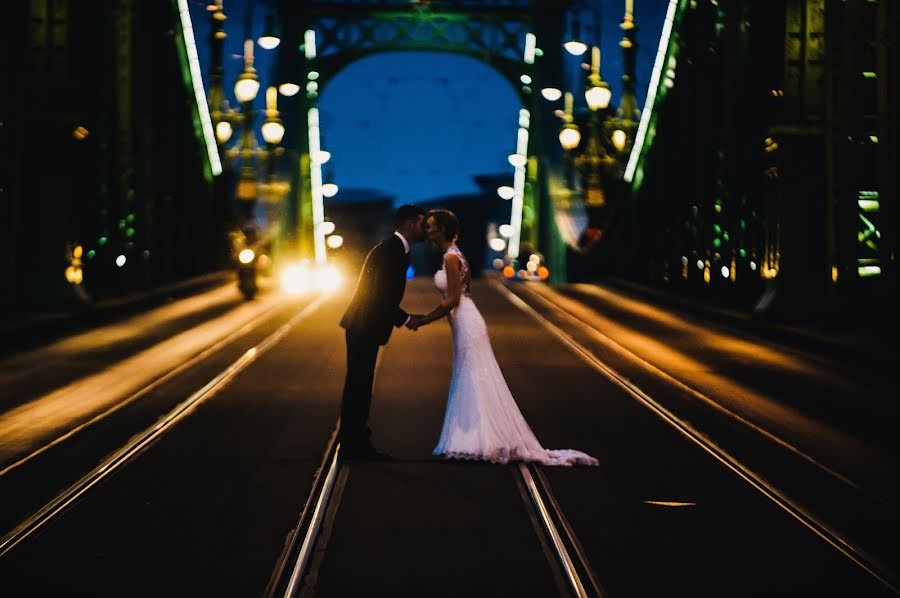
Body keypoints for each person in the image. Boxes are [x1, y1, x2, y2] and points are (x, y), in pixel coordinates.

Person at [408, 209, 598, 466]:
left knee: (472, 376)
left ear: (441, 229)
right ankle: (475, 436)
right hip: (466, 320)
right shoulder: (455, 254)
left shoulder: (451, 258)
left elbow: (453, 299)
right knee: (472, 376)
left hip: (466, 322)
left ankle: (474, 438)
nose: (426, 230)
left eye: (430, 226)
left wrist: (423, 319)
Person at [339, 204, 428, 461]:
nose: (425, 230)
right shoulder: (392, 251)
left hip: (364, 325)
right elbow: (380, 298)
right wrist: (406, 318)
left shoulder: (394, 249)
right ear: (410, 224)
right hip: (364, 326)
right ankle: (354, 446)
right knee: (359, 387)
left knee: (359, 386)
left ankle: (354, 442)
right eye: (423, 224)